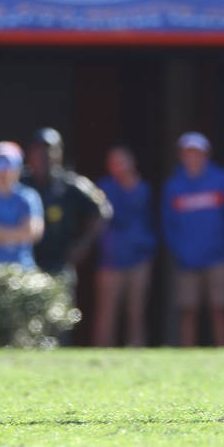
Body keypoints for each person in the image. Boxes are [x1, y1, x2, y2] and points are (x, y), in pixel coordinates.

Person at [162, 132, 224, 347]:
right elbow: (167, 224)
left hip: (217, 257)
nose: (192, 157)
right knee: (188, 310)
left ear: (206, 154)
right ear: (181, 156)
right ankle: (187, 356)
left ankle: (223, 354)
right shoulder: (174, 186)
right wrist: (178, 250)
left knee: (219, 308)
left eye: (196, 153)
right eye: (188, 153)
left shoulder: (221, 180)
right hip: (187, 260)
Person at [21, 128, 111, 276]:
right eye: (39, 150)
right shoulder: (21, 183)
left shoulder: (71, 184)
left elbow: (103, 209)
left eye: (50, 150)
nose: (45, 155)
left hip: (59, 265)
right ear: (30, 153)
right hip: (27, 265)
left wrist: (84, 243)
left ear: (60, 153)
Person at [95, 146, 157, 348]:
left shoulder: (144, 189)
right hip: (111, 259)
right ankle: (102, 352)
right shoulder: (103, 189)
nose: (118, 166)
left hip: (139, 258)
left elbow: (153, 221)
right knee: (107, 311)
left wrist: (147, 246)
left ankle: (137, 349)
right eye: (114, 162)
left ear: (132, 162)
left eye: (122, 160)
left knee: (136, 310)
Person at [0, 142, 43, 267]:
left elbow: (32, 233)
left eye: (7, 164)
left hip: (21, 271)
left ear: (18, 169)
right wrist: (15, 235)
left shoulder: (28, 197)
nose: (2, 171)